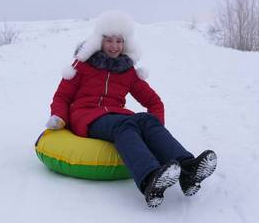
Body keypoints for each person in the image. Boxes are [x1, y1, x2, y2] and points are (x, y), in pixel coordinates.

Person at [45, 11, 217, 208]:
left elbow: (154, 102)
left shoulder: (127, 72)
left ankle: (188, 170)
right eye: (109, 40)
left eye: (119, 41)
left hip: (116, 115)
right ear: (100, 41)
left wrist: (154, 132)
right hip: (86, 116)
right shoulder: (83, 65)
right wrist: (58, 117)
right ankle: (149, 180)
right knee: (126, 124)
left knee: (146, 119)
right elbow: (62, 96)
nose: (114, 46)